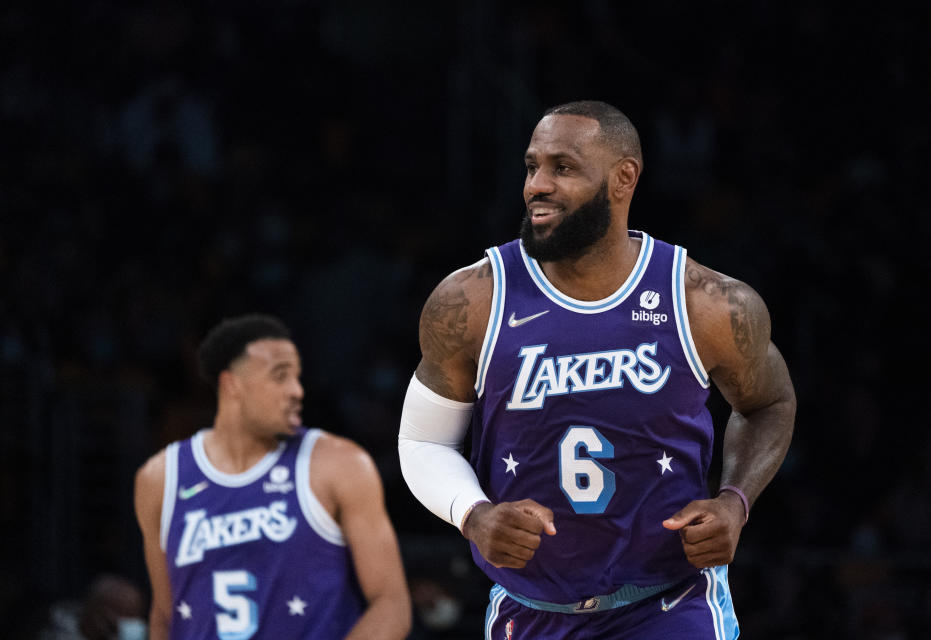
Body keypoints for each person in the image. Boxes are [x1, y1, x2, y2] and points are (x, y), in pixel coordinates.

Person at [398, 101, 796, 639]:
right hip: (531, 609)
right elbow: (422, 441)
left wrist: (735, 501)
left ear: (623, 178)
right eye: (532, 166)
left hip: (670, 604)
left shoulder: (704, 301)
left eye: (562, 168)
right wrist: (472, 514)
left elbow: (769, 403)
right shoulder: (471, 299)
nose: (537, 184)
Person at [135, 314, 411, 639]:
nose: (297, 391)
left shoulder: (339, 463)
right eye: (280, 377)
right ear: (231, 384)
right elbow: (166, 617)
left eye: (297, 377)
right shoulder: (160, 478)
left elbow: (391, 605)